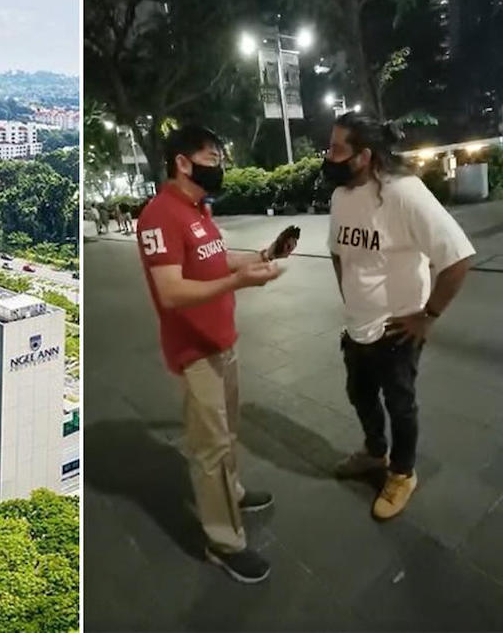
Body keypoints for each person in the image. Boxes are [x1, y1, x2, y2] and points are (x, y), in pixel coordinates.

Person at [136, 124, 299, 584]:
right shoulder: (159, 216)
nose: (220, 166)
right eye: (212, 157)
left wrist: (259, 257)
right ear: (182, 163)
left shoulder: (197, 210)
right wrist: (239, 282)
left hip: (222, 340)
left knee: (228, 431)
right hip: (194, 350)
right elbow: (170, 293)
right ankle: (224, 542)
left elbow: (214, 258)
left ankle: (234, 490)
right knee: (209, 446)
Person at [325, 112, 475, 519]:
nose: (329, 155)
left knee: (400, 404)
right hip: (356, 326)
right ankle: (375, 452)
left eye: (338, 148)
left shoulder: (405, 193)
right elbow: (338, 253)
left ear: (365, 155)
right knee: (359, 394)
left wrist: (428, 315)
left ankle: (403, 472)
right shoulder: (340, 198)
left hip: (398, 330)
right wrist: (351, 296)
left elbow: (458, 258)